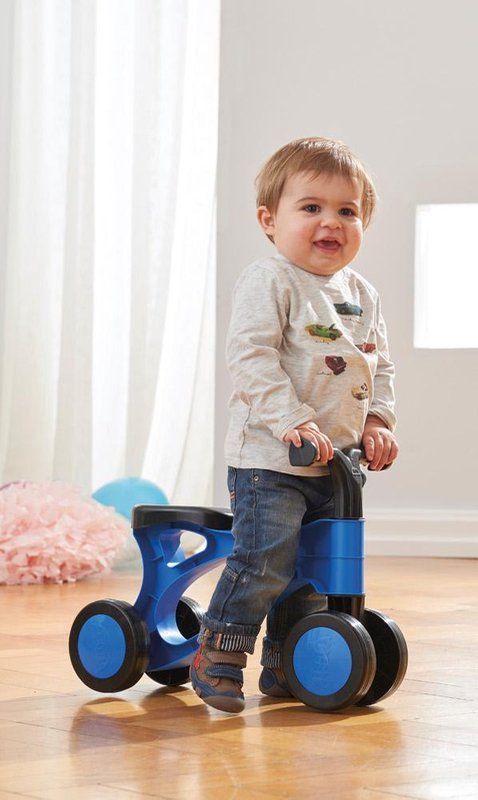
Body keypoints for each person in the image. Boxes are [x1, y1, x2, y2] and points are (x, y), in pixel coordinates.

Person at [189, 136, 399, 713]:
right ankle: (220, 650)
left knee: (312, 572)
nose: (330, 222)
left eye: (347, 210)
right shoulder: (270, 280)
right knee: (267, 561)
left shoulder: (363, 295)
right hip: (271, 462)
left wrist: (378, 418)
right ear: (269, 220)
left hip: (336, 466)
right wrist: (293, 420)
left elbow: (378, 365)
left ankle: (287, 662)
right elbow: (251, 356)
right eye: (311, 207)